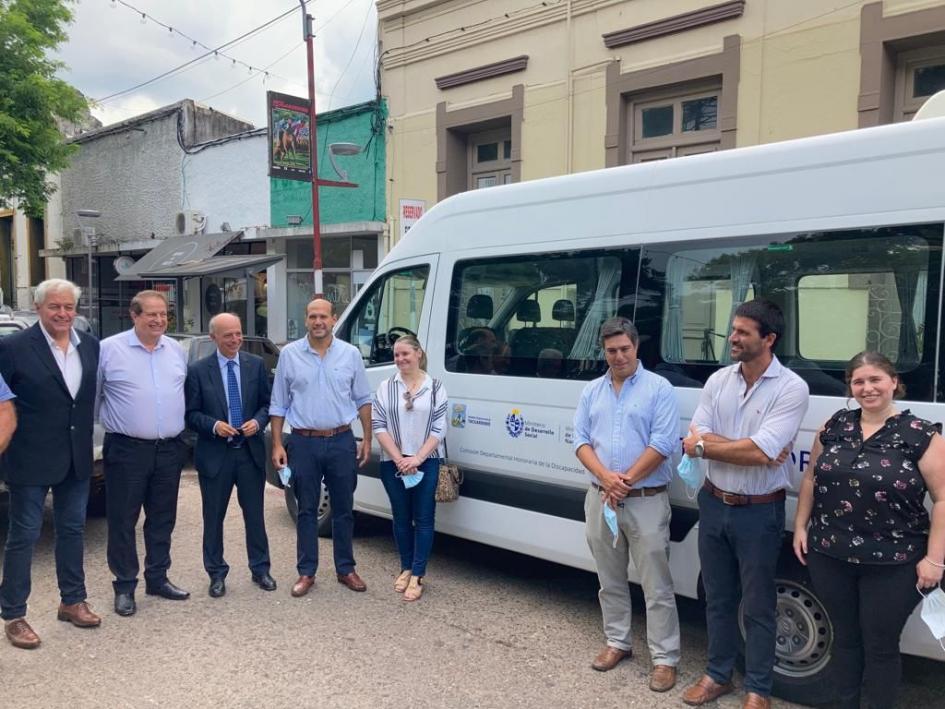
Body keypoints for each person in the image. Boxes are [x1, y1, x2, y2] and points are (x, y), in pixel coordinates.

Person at [793, 351, 945, 709]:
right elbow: (811, 478)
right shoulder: (834, 426)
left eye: (875, 379)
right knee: (844, 640)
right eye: (858, 381)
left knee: (880, 647)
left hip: (894, 563)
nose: (867, 388)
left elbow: (942, 499)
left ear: (894, 382)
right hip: (829, 554)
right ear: (850, 387)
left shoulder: (920, 434)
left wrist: (935, 560)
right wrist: (801, 526)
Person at [681, 299, 809, 709]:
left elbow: (762, 453)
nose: (731, 338)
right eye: (732, 329)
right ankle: (718, 675)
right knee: (717, 597)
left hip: (759, 509)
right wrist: (714, 445)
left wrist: (709, 445)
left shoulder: (791, 387)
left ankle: (758, 688)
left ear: (768, 339)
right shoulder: (719, 380)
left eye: (741, 332)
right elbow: (698, 437)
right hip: (714, 502)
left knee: (758, 605)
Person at [573, 317, 681, 691]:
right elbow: (580, 440)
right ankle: (617, 642)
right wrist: (605, 478)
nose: (618, 356)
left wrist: (624, 482)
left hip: (646, 500)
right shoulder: (592, 391)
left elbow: (663, 443)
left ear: (636, 347)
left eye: (624, 349)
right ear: (603, 351)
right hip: (600, 497)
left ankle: (665, 658)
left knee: (657, 585)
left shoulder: (659, 389)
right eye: (611, 351)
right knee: (609, 579)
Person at [0, 279, 100, 649]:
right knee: (23, 536)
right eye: (54, 307)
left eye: (68, 307)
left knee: (72, 530)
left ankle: (72, 600)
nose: (62, 313)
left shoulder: (89, 346)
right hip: (29, 457)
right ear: (39, 308)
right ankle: (13, 614)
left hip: (75, 455)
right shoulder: (12, 348)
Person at [270, 298, 372, 597]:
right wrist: (277, 443)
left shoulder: (350, 355)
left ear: (333, 319)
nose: (318, 321)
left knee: (343, 508)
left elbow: (363, 399)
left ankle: (345, 568)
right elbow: (278, 403)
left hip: (341, 440)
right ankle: (306, 572)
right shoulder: (289, 355)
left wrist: (366, 438)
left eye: (323, 316)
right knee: (306, 510)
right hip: (303, 442)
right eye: (312, 316)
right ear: (305, 320)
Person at [97, 290, 190, 617]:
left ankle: (157, 577)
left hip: (169, 449)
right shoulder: (109, 350)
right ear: (134, 315)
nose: (159, 320)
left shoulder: (176, 349)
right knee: (123, 519)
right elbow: (94, 402)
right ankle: (124, 585)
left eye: (163, 314)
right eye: (151, 314)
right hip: (127, 449)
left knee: (163, 517)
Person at [185, 313, 276, 598]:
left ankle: (260, 569)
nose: (235, 340)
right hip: (216, 456)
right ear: (214, 338)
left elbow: (267, 403)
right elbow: (190, 414)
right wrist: (213, 426)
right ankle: (216, 573)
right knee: (213, 517)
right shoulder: (199, 370)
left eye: (238, 334)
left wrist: (258, 422)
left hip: (249, 454)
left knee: (255, 516)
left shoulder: (255, 365)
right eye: (228, 336)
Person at [371, 335, 447, 602]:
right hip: (393, 462)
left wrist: (416, 459)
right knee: (401, 518)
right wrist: (399, 458)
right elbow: (379, 425)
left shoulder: (435, 387)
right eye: (396, 355)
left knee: (424, 518)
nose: (401, 359)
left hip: (427, 461)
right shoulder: (385, 387)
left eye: (405, 354)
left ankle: (418, 574)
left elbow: (440, 429)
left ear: (418, 354)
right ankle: (405, 566)